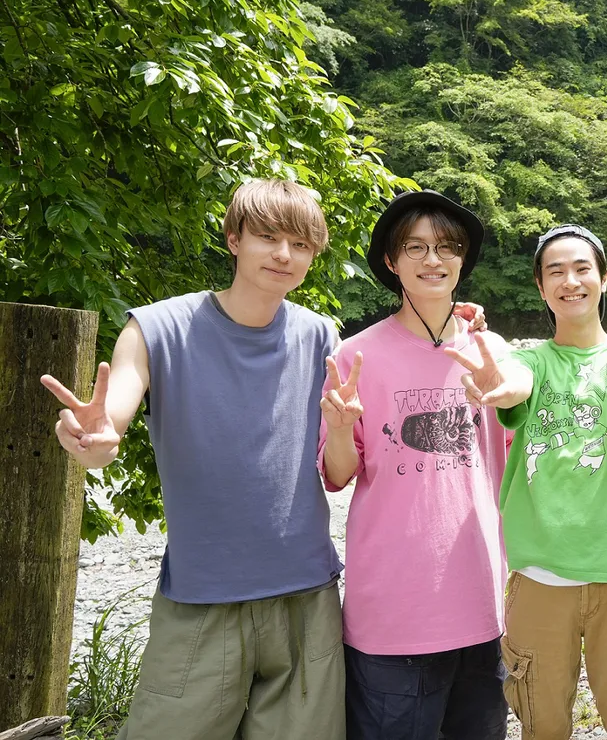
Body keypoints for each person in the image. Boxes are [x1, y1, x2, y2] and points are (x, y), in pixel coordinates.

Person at [41, 179, 346, 740]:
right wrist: (96, 438)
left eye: (301, 244)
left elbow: (344, 456)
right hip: (202, 595)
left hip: (307, 594)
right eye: (268, 237)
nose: (284, 254)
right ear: (233, 238)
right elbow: (113, 418)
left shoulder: (320, 336)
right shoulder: (156, 328)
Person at [446, 224, 607, 740]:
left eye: (582, 268)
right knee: (543, 727)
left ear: (603, 279)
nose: (570, 280)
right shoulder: (530, 360)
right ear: (541, 287)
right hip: (540, 578)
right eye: (555, 271)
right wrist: (497, 387)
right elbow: (516, 385)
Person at [318, 190, 510, 739]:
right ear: (390, 260)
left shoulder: (491, 352)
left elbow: (520, 461)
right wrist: (336, 427)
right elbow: (336, 474)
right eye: (417, 247)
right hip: (394, 614)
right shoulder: (356, 355)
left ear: (463, 260)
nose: (433, 260)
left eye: (448, 247)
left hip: (482, 603)